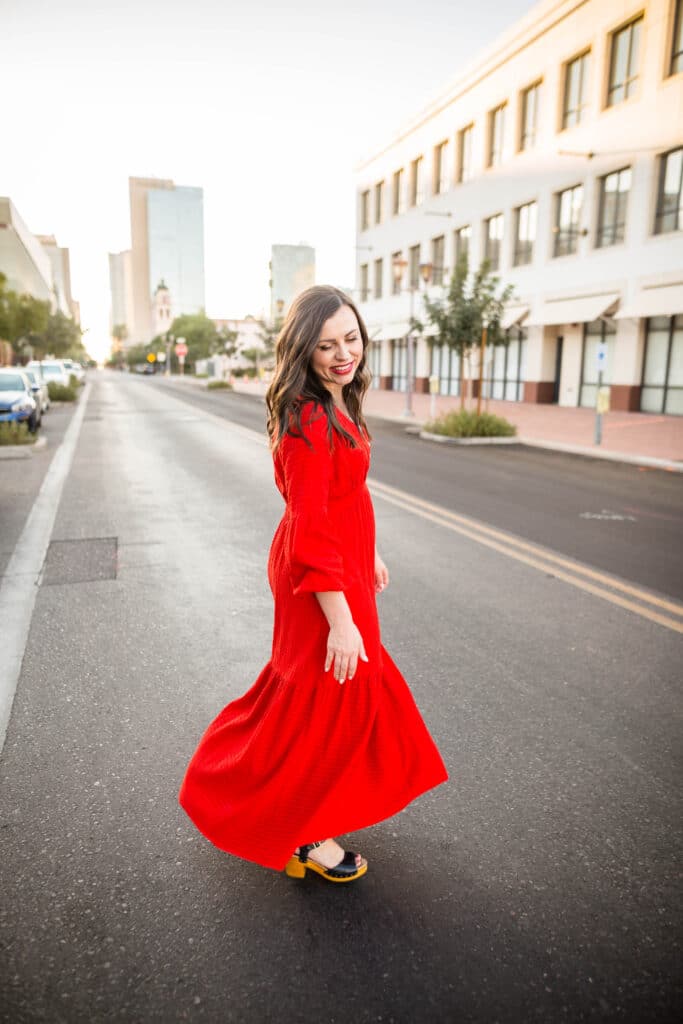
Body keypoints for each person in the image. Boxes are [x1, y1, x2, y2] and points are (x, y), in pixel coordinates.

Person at [179, 285, 448, 883]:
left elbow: (340, 494)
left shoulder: (338, 400)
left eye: (350, 338)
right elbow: (307, 525)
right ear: (305, 349)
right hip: (318, 574)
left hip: (341, 561)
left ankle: (304, 809)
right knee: (325, 699)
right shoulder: (307, 417)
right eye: (326, 345)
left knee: (334, 695)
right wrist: (343, 620)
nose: (342, 353)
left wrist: (368, 549)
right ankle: (298, 831)